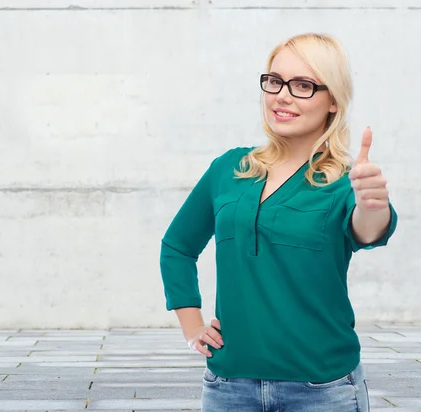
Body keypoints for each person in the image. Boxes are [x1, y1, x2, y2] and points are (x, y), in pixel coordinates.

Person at [159, 33, 398, 412]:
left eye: (303, 85)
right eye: (275, 81)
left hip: (323, 388)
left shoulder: (344, 181)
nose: (282, 95)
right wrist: (192, 326)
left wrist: (373, 202)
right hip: (228, 387)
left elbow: (367, 229)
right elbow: (177, 246)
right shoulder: (230, 169)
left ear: (332, 100)